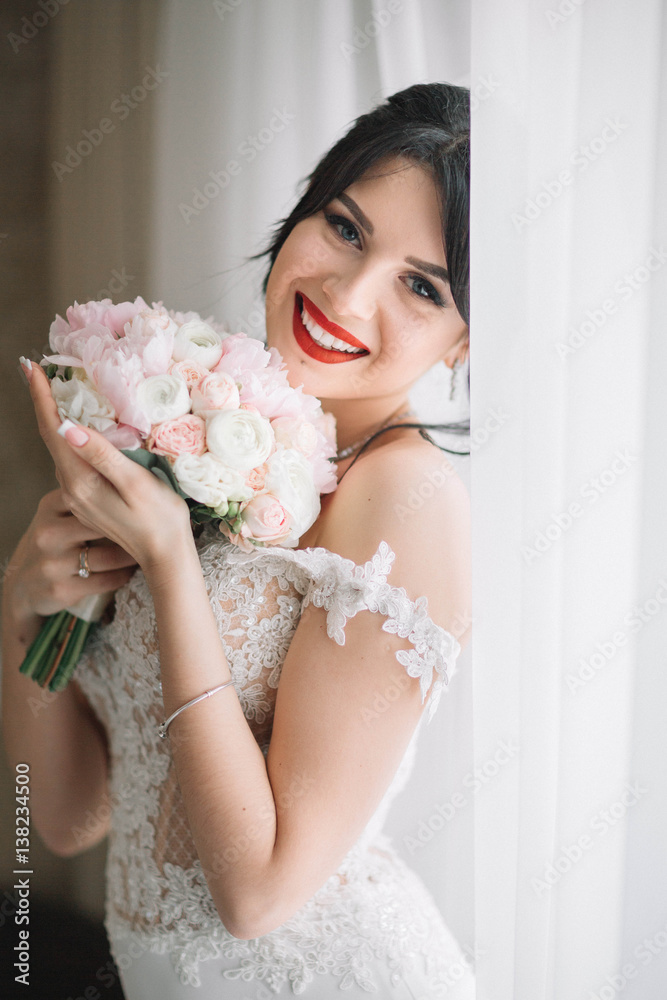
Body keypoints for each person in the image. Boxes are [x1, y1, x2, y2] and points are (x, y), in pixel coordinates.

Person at [2, 83, 473, 998]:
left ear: (461, 342)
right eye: (343, 226)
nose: (346, 293)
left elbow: (256, 897)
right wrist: (24, 602)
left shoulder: (409, 499)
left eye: (421, 286)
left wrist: (175, 567)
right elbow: (64, 818)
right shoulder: (202, 421)